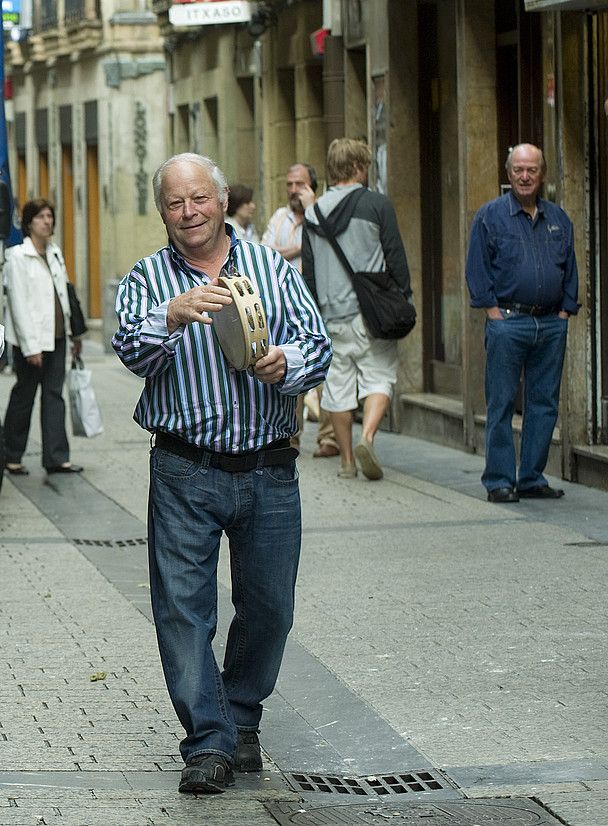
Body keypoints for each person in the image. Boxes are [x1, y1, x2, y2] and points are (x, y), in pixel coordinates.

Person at [113, 153, 330, 794]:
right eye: (176, 204)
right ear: (164, 213)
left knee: (269, 608)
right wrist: (171, 316)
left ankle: (241, 715)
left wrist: (285, 363)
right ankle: (207, 741)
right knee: (183, 612)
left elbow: (317, 346)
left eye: (199, 199)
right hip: (184, 466)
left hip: (268, 468)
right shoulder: (149, 278)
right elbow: (130, 349)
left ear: (222, 196)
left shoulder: (269, 267)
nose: (189, 214)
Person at [464, 143, 578, 503]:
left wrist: (564, 312)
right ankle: (499, 480)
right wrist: (492, 312)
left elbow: (571, 269)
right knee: (500, 403)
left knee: (544, 403)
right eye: (518, 170)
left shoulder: (559, 219)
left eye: (532, 170)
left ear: (542, 173)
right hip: (508, 322)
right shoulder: (490, 216)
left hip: (550, 324)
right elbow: (477, 269)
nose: (525, 176)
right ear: (508, 173)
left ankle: (531, 477)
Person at [301, 138, 411, 481]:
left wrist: (316, 314)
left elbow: (309, 272)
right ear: (360, 167)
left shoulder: (312, 212)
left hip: (331, 317)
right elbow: (395, 258)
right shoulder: (377, 204)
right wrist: (402, 297)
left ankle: (347, 461)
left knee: (337, 389)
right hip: (372, 314)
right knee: (379, 376)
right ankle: (368, 436)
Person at [261, 163, 338, 458]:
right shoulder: (279, 217)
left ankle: (329, 438)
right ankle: (290, 436)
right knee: (291, 366)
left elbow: (328, 248)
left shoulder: (323, 215)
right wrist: (299, 248)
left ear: (313, 186)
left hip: (322, 300)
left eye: (300, 185)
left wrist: (312, 214)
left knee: (326, 368)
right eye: (289, 184)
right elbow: (266, 254)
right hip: (286, 306)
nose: (293, 190)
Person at [2, 199, 83, 476]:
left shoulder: (55, 252)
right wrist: (30, 347)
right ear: (28, 223)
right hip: (32, 341)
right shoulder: (17, 256)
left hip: (58, 337)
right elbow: (18, 304)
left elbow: (64, 297)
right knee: (24, 396)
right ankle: (11, 455)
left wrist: (73, 335)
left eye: (50, 216)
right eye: (41, 217)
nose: (47, 221)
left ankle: (56, 457)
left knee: (54, 396)